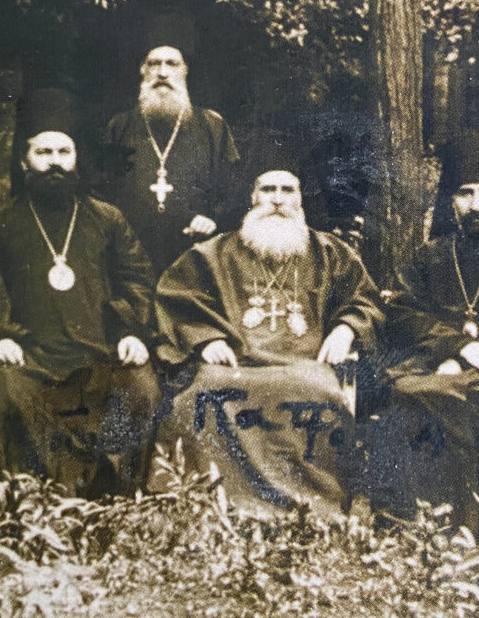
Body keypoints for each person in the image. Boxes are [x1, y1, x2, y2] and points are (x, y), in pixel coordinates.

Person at [0, 89, 160, 497]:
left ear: (76, 159)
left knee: (143, 388)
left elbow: (137, 278)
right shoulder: (1, 222)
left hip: (100, 354)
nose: (55, 163)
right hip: (32, 358)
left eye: (64, 152)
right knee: (3, 386)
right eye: (43, 152)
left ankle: (118, 494)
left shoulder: (107, 218)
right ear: (25, 161)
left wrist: (132, 333)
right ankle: (30, 498)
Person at [153, 168, 383, 520]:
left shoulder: (329, 252)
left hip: (307, 367)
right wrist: (205, 339)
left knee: (314, 389)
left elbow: (364, 300)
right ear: (253, 198)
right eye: (268, 189)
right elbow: (179, 297)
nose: (278, 198)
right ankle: (210, 504)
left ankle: (310, 506)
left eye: (288, 190)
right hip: (235, 367)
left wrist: (346, 330)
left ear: (301, 199)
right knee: (199, 393)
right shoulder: (215, 252)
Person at [367, 134, 479, 524]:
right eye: (465, 192)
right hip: (438, 364)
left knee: (431, 393)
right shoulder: (430, 255)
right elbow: (401, 312)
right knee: (411, 388)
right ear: (452, 201)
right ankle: (413, 510)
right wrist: (456, 347)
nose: (476, 203)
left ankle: (456, 517)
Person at [95, 41, 240, 273]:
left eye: (172, 64)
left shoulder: (212, 126)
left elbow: (231, 191)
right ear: (142, 69)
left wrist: (212, 219)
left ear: (185, 70)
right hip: (129, 258)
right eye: (154, 64)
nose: (162, 73)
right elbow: (101, 193)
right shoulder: (119, 126)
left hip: (194, 257)